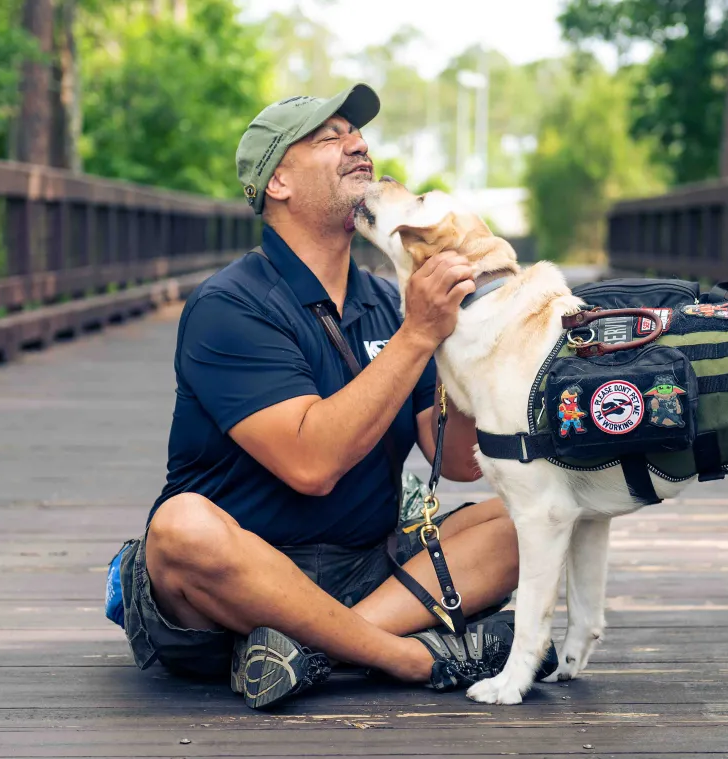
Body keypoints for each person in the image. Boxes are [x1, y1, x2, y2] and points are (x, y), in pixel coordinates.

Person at [109, 84, 553, 710]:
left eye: (359, 136)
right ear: (279, 183)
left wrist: (474, 339)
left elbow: (457, 461)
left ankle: (305, 649)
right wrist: (419, 333)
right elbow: (311, 465)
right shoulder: (230, 305)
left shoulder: (387, 300)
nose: (359, 146)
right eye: (330, 139)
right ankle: (405, 656)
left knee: (524, 517)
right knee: (180, 527)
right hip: (232, 582)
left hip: (367, 570)